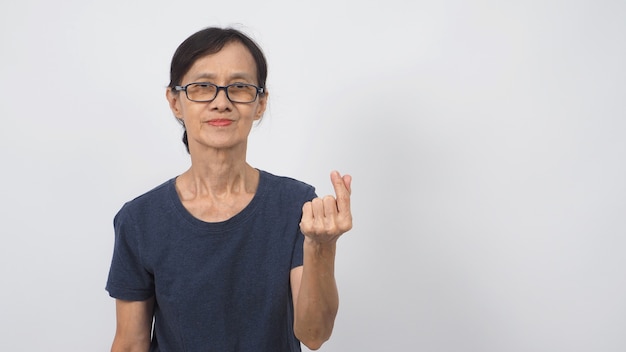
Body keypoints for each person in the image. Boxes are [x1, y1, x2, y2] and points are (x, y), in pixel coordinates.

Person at [105, 26, 353, 352]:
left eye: (238, 87)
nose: (221, 102)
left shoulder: (295, 204)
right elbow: (130, 343)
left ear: (260, 103)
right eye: (203, 86)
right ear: (175, 101)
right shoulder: (140, 220)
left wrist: (322, 247)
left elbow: (314, 334)